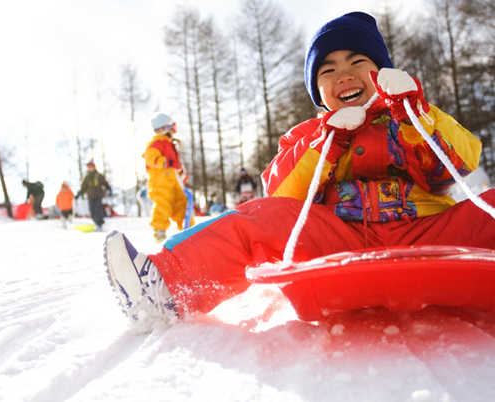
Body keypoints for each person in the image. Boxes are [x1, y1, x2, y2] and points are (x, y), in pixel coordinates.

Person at [104, 12, 495, 333]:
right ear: (318, 92)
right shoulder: (308, 135)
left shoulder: (414, 113)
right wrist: (328, 143)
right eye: (328, 70)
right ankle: (166, 286)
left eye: (358, 62)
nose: (343, 74)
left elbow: (460, 165)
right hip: (339, 238)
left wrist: (415, 112)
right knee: (259, 217)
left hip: (425, 231)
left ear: (383, 73)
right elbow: (282, 194)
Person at [143, 112, 194, 242]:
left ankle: (190, 231)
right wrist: (165, 162)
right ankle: (159, 232)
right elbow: (150, 158)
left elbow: (177, 165)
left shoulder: (170, 145)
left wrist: (182, 174)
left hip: (174, 184)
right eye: (173, 129)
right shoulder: (155, 143)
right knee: (162, 205)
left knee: (182, 204)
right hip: (160, 183)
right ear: (165, 129)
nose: (174, 132)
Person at [76, 159, 111, 232]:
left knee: (98, 210)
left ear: (94, 167)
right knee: (92, 211)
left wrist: (109, 189)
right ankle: (96, 223)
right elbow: (83, 188)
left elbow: (105, 183)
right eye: (88, 166)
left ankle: (99, 224)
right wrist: (79, 193)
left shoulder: (98, 175)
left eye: (91, 166)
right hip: (90, 196)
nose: (90, 167)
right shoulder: (86, 177)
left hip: (98, 195)